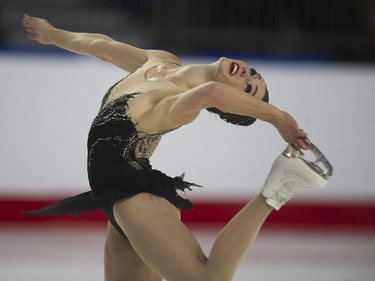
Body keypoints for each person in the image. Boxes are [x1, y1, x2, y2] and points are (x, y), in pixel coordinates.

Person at [22, 15, 327, 281]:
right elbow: (101, 45)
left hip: (136, 200)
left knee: (210, 278)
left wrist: (279, 118)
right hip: (116, 199)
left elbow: (212, 91)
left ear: (224, 105)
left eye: (249, 90)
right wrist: (52, 34)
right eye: (254, 75)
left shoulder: (182, 105)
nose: (248, 76)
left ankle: (273, 192)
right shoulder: (161, 61)